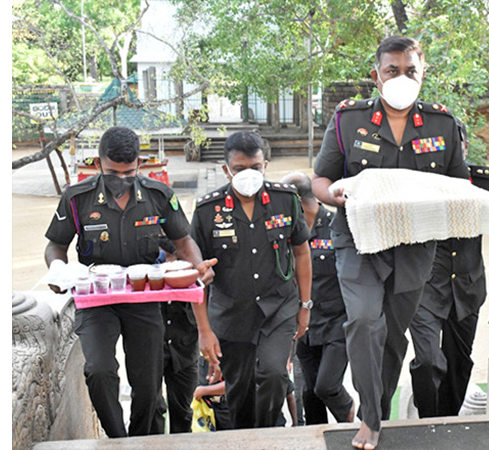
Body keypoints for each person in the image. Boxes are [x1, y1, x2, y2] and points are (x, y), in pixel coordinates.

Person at [312, 36, 470, 449]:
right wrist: (335, 195)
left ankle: (378, 411)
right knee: (364, 321)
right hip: (359, 240)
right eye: (392, 70)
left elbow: (459, 185)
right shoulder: (349, 119)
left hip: (414, 245)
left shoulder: (442, 124)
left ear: (423, 73)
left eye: (411, 70)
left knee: (394, 338)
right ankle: (369, 417)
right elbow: (321, 179)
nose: (402, 77)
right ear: (376, 75)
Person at [43, 126, 216, 438]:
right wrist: (57, 270)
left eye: (129, 172)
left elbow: (183, 240)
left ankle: (140, 440)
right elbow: (56, 245)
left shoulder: (158, 195)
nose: (121, 179)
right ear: (98, 163)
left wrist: (197, 265)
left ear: (139, 164)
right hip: (97, 299)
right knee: (99, 371)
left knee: (148, 385)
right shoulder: (77, 198)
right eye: (113, 172)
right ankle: (118, 439)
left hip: (144, 300)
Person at [189, 130, 313, 429]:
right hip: (232, 314)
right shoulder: (208, 210)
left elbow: (301, 252)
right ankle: (246, 439)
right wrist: (204, 330)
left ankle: (267, 435)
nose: (249, 174)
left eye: (255, 167)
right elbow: (197, 275)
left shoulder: (286, 200)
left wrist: (305, 305)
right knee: (239, 390)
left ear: (265, 165)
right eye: (240, 168)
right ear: (226, 170)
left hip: (278, 309)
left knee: (273, 374)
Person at [408, 164, 489, 418]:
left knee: (458, 364)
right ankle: (426, 422)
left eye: (460, 145)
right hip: (425, 289)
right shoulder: (417, 179)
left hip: (467, 290)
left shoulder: (484, 183)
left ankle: (447, 423)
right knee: (427, 361)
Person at [280, 171, 355, 425]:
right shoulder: (287, 234)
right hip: (305, 326)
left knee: (327, 386)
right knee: (310, 394)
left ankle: (348, 419)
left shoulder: (337, 227)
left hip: (337, 323)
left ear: (297, 202)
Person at [152, 237, 199, 434]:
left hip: (184, 350)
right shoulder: (150, 272)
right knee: (153, 408)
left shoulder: (191, 271)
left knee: (183, 412)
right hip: (153, 350)